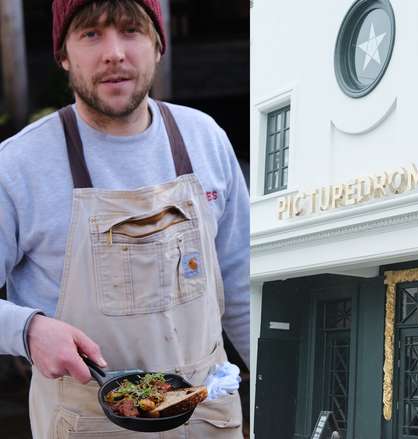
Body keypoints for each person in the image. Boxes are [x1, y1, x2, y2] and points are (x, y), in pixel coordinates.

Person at [0, 1, 249, 437]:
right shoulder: (18, 165)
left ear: (157, 45)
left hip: (207, 414)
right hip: (86, 420)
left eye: (131, 30)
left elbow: (244, 288)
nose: (114, 52)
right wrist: (28, 330)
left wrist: (281, 392)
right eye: (91, 34)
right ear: (63, 54)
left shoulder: (205, 138)